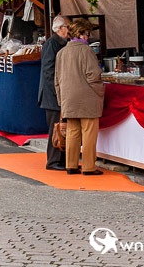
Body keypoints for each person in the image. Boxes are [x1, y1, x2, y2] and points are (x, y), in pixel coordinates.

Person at [55, 18, 105, 176]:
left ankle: (71, 165)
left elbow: (56, 80)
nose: (89, 37)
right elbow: (93, 75)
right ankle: (89, 167)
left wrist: (61, 100)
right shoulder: (86, 51)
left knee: (72, 132)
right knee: (89, 132)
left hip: (68, 98)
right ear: (82, 34)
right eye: (87, 34)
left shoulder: (61, 52)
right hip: (87, 97)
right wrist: (100, 91)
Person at [39, 15, 71, 171]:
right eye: (68, 27)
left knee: (62, 126)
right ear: (60, 28)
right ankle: (53, 161)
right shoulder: (52, 44)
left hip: (57, 93)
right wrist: (58, 92)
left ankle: (61, 160)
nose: (69, 30)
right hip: (53, 95)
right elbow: (48, 71)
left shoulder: (61, 43)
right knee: (55, 127)